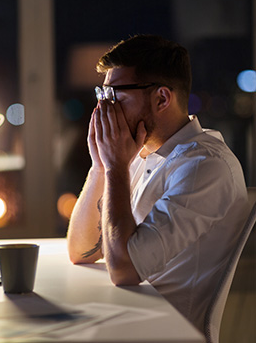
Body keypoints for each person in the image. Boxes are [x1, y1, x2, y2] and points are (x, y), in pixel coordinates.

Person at [66, 34, 249, 335]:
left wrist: (115, 169)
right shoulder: (140, 152)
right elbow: (80, 250)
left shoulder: (204, 167)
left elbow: (124, 270)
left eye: (114, 95)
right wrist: (100, 166)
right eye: (102, 95)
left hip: (163, 333)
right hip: (127, 319)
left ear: (162, 98)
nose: (104, 108)